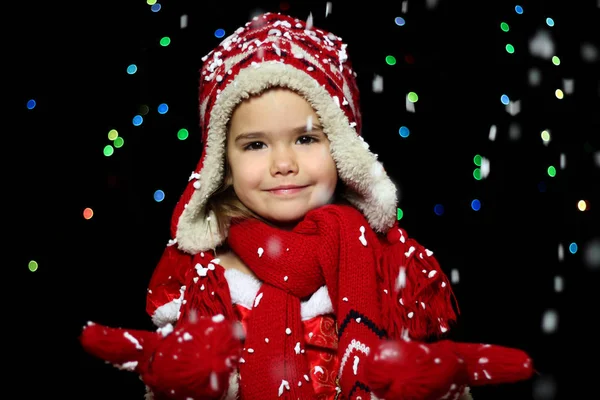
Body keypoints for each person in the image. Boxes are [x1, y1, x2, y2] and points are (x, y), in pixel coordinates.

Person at [80, 11, 534, 400]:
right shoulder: (206, 279)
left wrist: (433, 384)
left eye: (305, 138)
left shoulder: (389, 266)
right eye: (255, 144)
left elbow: (422, 372)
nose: (283, 163)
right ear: (222, 163)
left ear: (341, 147)